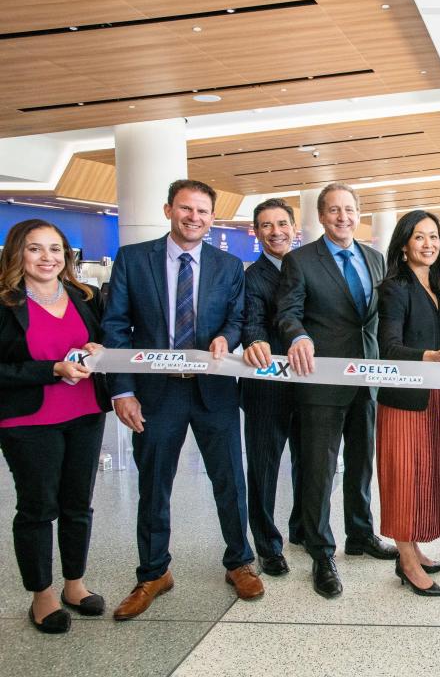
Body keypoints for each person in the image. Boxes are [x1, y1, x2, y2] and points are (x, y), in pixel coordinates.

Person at [103, 179, 263, 620]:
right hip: (157, 393)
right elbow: (116, 327)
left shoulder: (229, 265)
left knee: (230, 479)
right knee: (154, 484)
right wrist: (122, 389)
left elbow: (237, 317)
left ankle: (239, 562)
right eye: (186, 209)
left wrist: (224, 338)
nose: (195, 218)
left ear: (213, 218)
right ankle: (154, 572)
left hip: (213, 391)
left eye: (203, 212)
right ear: (168, 209)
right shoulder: (134, 260)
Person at [275, 181, 397, 599]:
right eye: (333, 211)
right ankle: (321, 550)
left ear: (358, 214)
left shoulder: (375, 259)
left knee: (362, 463)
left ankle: (361, 534)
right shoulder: (300, 260)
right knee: (320, 469)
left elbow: (381, 316)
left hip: (368, 378)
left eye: (349, 210)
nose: (342, 218)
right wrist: (298, 337)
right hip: (322, 381)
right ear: (321, 217)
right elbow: (288, 312)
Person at [0, 220, 111, 634]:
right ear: (18, 254)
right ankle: (41, 595)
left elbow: (99, 341)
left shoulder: (86, 296)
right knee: (37, 508)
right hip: (29, 420)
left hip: (84, 413)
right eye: (35, 249)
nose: (47, 258)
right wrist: (51, 369)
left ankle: (74, 585)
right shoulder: (6, 303)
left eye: (55, 249)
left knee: (77, 504)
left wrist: (98, 349)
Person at [376, 210, 440, 597]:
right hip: (402, 401)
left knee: (424, 474)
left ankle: (414, 548)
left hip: (430, 399)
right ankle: (406, 559)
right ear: (404, 245)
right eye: (419, 238)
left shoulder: (435, 286)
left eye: (434, 237)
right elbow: (389, 347)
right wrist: (432, 355)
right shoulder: (395, 287)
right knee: (403, 478)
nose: (428, 244)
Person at [240, 198, 303, 577]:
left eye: (282, 223)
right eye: (266, 225)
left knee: (310, 466)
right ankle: (267, 545)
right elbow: (251, 321)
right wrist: (253, 341)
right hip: (265, 387)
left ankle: (303, 530)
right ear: (256, 232)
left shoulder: (312, 266)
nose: (276, 231)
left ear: (295, 228)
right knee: (263, 468)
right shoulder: (251, 277)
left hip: (309, 386)